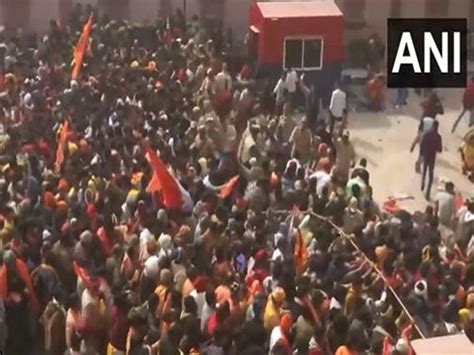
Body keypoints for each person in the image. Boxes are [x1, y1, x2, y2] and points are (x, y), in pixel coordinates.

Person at [420, 120, 443, 200]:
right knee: (431, 175)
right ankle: (428, 193)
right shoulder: (438, 137)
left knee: (424, 170)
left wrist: (421, 154)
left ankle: (422, 183)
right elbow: (440, 149)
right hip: (432, 157)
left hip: (426, 155)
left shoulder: (426, 134)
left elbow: (422, 144)